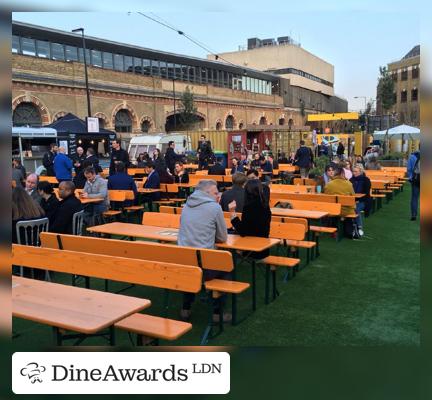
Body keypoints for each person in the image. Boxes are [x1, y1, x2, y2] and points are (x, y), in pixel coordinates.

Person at [178, 180, 228, 321]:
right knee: (227, 267)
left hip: (185, 259)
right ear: (206, 193)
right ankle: (218, 313)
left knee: (193, 268)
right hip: (204, 262)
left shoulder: (186, 205)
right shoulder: (214, 207)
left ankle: (185, 308)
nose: (218, 195)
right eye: (215, 192)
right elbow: (222, 237)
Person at [228, 179, 271, 259]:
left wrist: (232, 212)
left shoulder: (249, 208)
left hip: (251, 249)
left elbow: (243, 231)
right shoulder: (265, 206)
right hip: (264, 247)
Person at [350, 164, 372, 236]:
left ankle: (359, 228)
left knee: (356, 208)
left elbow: (366, 194)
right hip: (352, 200)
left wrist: (358, 200)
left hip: (363, 201)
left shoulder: (366, 180)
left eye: (356, 171)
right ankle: (350, 227)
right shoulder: (351, 180)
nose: (354, 173)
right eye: (353, 171)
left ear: (361, 171)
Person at [407, 148, 420, 221]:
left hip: (416, 179)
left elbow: (409, 169)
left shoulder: (413, 156)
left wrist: (411, 177)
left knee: (414, 197)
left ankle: (413, 215)